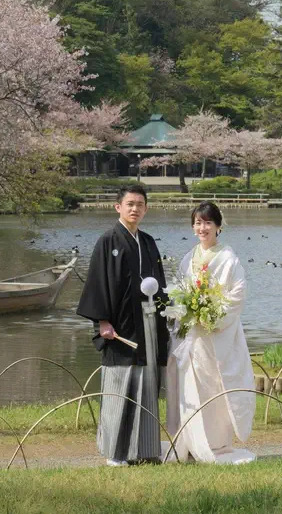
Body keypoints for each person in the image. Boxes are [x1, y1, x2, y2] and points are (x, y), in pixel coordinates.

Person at [76, 183, 169, 466]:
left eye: (140, 204)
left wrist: (166, 313)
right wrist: (102, 321)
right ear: (118, 207)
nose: (135, 209)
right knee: (120, 384)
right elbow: (97, 282)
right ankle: (115, 453)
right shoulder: (108, 241)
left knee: (147, 383)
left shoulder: (148, 242)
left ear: (146, 209)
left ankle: (146, 450)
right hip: (120, 325)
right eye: (130, 204)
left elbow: (160, 282)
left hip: (148, 322)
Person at [165, 201, 256, 464]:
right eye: (198, 223)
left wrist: (213, 315)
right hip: (192, 335)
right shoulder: (188, 258)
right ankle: (190, 441)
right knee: (189, 387)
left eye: (207, 222)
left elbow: (237, 295)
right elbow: (180, 291)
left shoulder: (228, 259)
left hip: (218, 334)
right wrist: (187, 311)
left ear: (218, 226)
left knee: (215, 386)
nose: (202, 228)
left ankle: (214, 443)